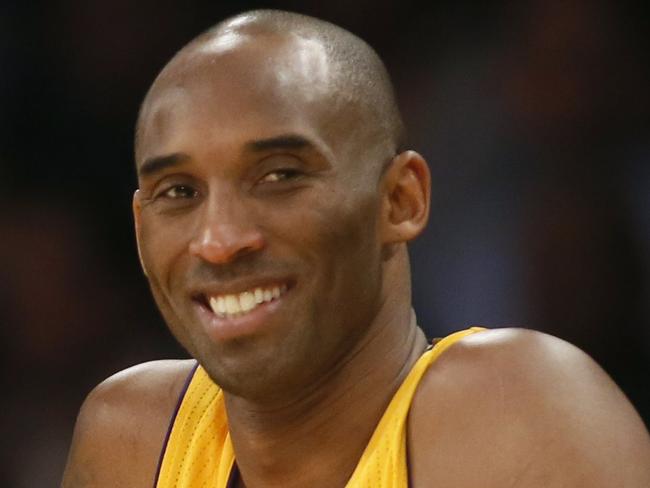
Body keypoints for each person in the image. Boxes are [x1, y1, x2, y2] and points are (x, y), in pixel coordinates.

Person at [62, 9, 650, 488]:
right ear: (141, 233)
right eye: (180, 191)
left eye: (280, 176)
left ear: (400, 200)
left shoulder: (520, 413)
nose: (218, 241)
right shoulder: (130, 442)